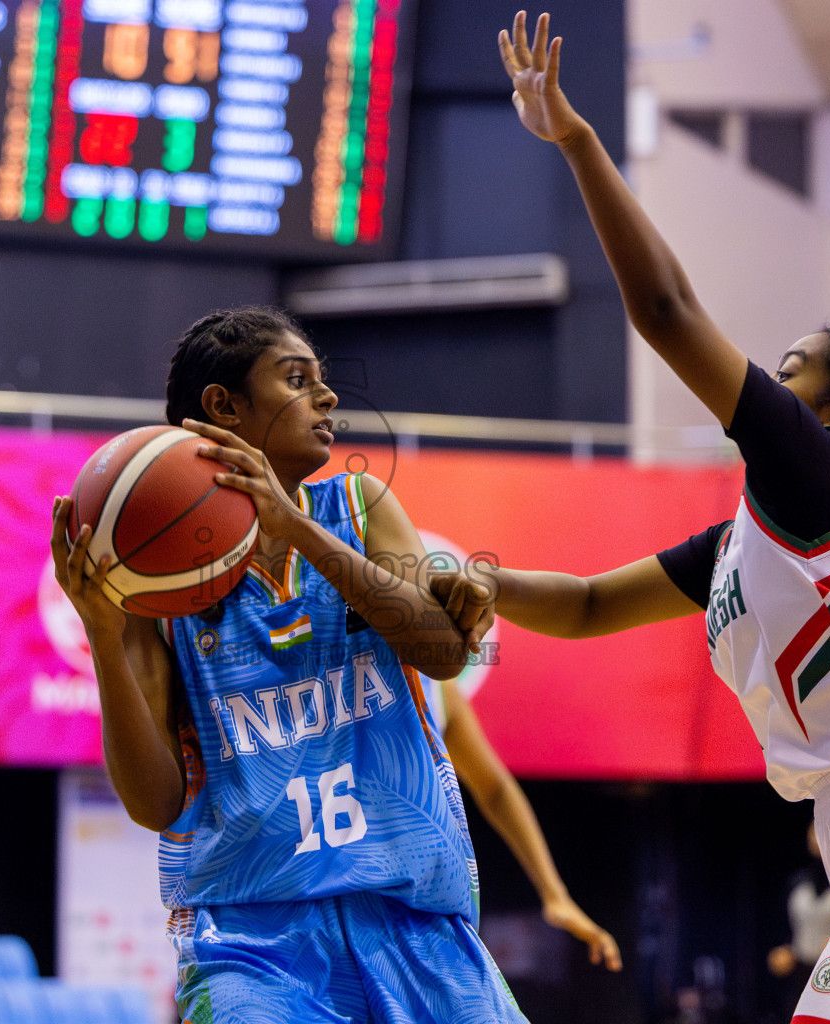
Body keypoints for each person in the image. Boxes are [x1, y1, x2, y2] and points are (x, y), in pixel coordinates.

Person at [430, 12, 830, 1023]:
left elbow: (666, 310)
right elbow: (583, 606)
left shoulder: (828, 471)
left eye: (791, 366)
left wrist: (578, 141)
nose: (768, 369)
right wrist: (464, 575)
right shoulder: (746, 540)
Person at [50, 307, 529, 1024]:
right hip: (254, 944)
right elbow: (154, 805)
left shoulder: (360, 507)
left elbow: (445, 652)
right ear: (224, 407)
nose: (329, 397)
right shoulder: (162, 584)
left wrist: (296, 528)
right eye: (298, 380)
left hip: (417, 923)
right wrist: (103, 632)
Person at [426, 676, 623, 970]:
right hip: (347, 900)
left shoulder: (438, 690)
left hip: (424, 910)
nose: (476, 643)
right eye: (467, 626)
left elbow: (496, 790)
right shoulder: (340, 675)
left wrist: (555, 894)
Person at [766, 823, 830, 1022]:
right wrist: (783, 948)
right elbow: (781, 924)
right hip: (798, 973)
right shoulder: (796, 881)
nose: (816, 838)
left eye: (821, 831)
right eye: (813, 831)